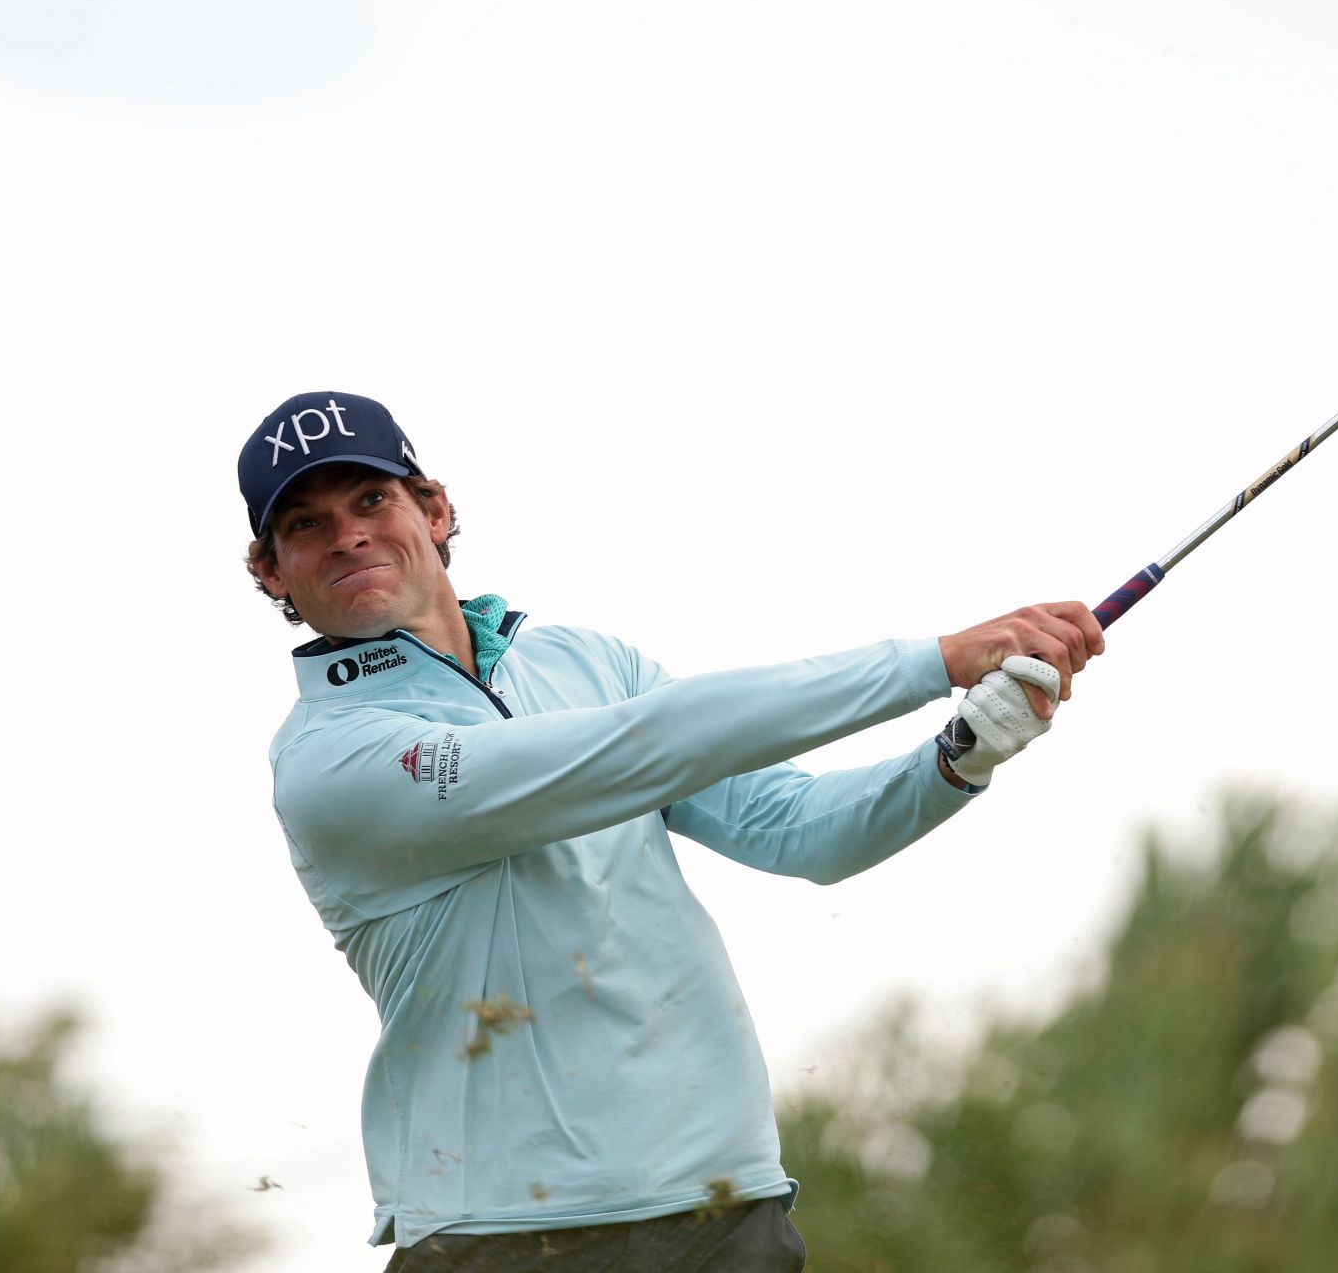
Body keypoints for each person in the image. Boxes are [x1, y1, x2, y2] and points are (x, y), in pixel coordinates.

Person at [239, 392, 1103, 1271]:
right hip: (498, 1235)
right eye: (306, 524)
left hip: (724, 1210)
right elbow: (634, 750)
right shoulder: (328, 759)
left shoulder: (587, 662)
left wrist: (957, 757)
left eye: (371, 501)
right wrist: (931, 663)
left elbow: (796, 829)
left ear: (434, 508)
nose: (347, 535)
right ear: (271, 571)